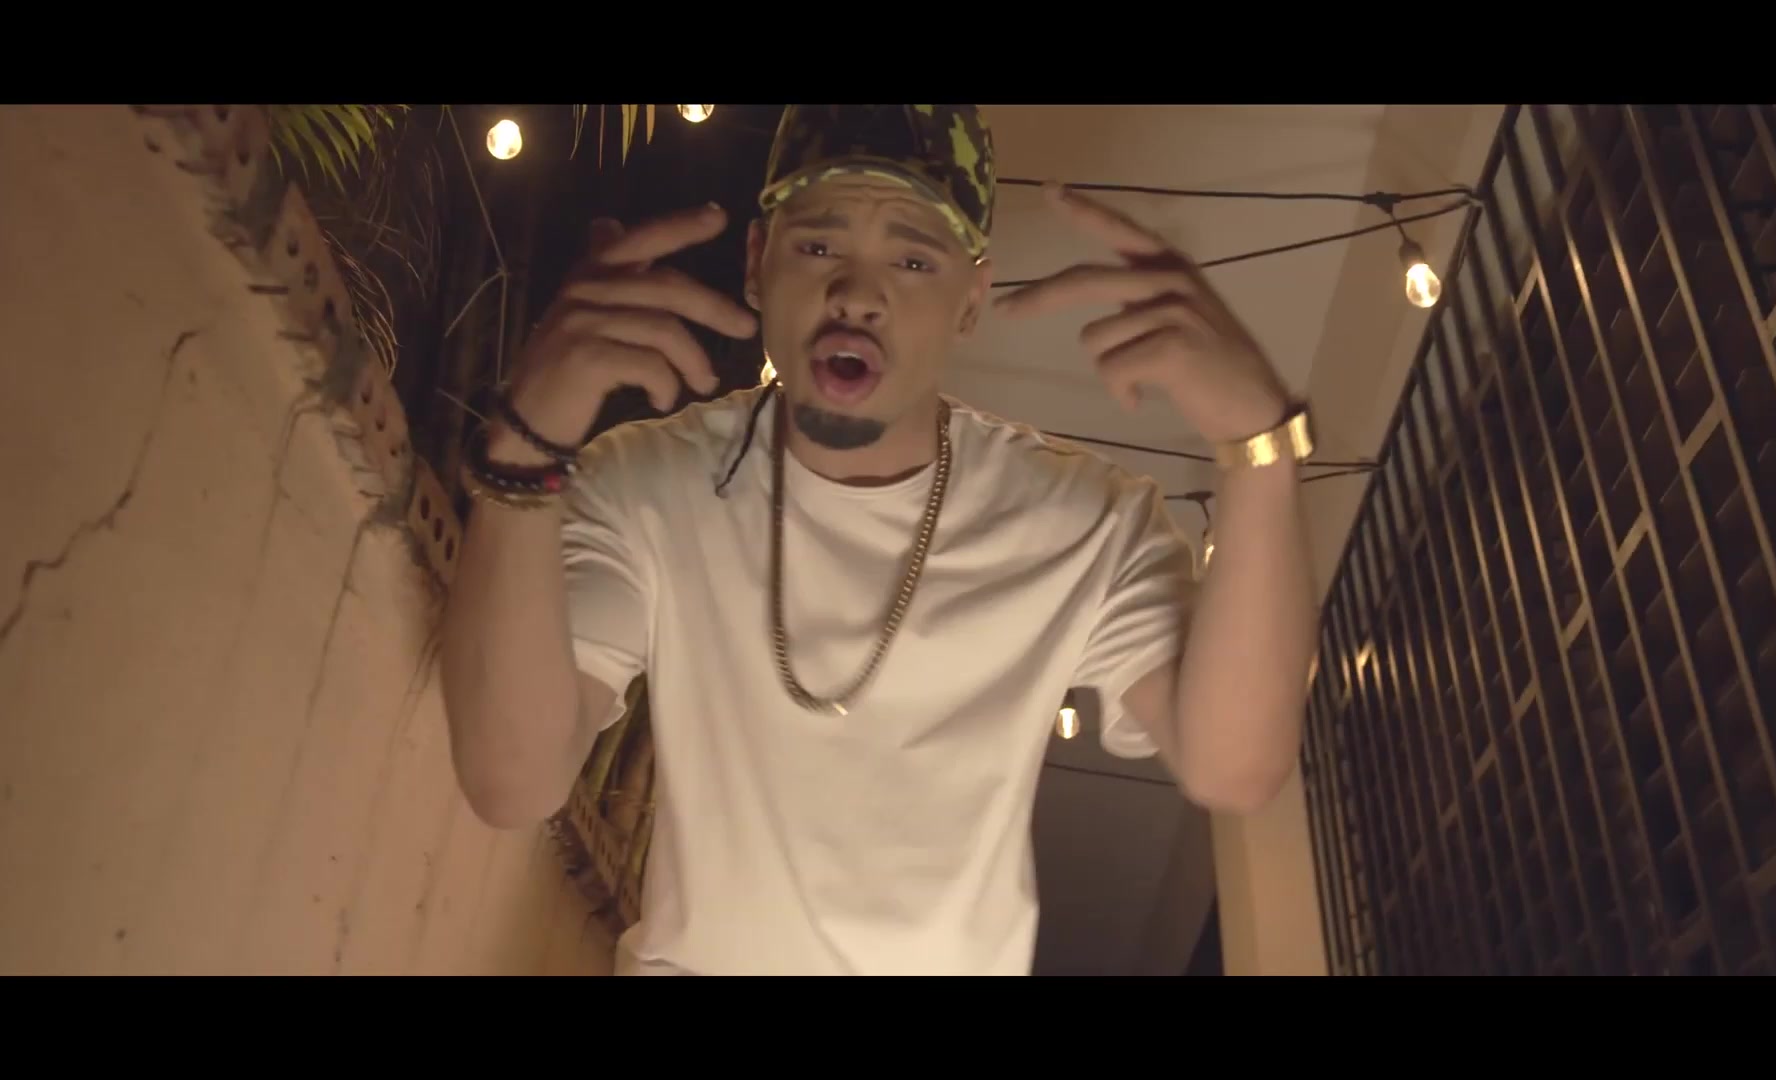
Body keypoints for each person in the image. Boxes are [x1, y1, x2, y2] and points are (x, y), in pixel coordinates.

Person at [440, 104, 1320, 976]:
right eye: (820, 246)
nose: (857, 295)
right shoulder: (647, 485)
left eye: (913, 258)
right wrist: (524, 447)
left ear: (971, 300)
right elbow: (511, 781)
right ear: (757, 262)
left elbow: (1235, 770)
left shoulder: (1085, 524)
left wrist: (1262, 446)